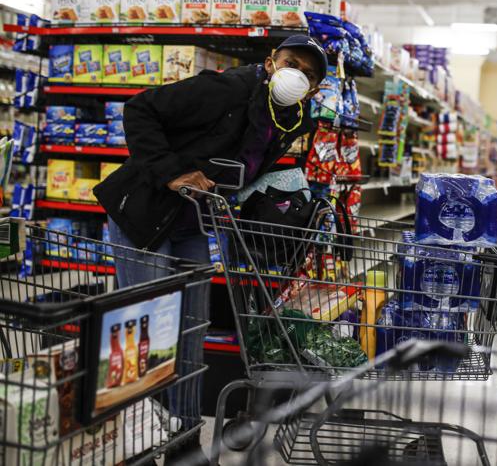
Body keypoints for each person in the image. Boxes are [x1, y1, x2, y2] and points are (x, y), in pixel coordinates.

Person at [94, 35, 327, 464]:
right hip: (145, 214)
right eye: (291, 62)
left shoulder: (292, 117)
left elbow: (246, 165)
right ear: (272, 61)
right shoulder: (229, 89)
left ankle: (183, 442)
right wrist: (173, 172)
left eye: (309, 74)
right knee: (147, 333)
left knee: (191, 329)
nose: (297, 75)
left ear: (314, 88)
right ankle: (137, 443)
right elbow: (140, 108)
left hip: (194, 222)